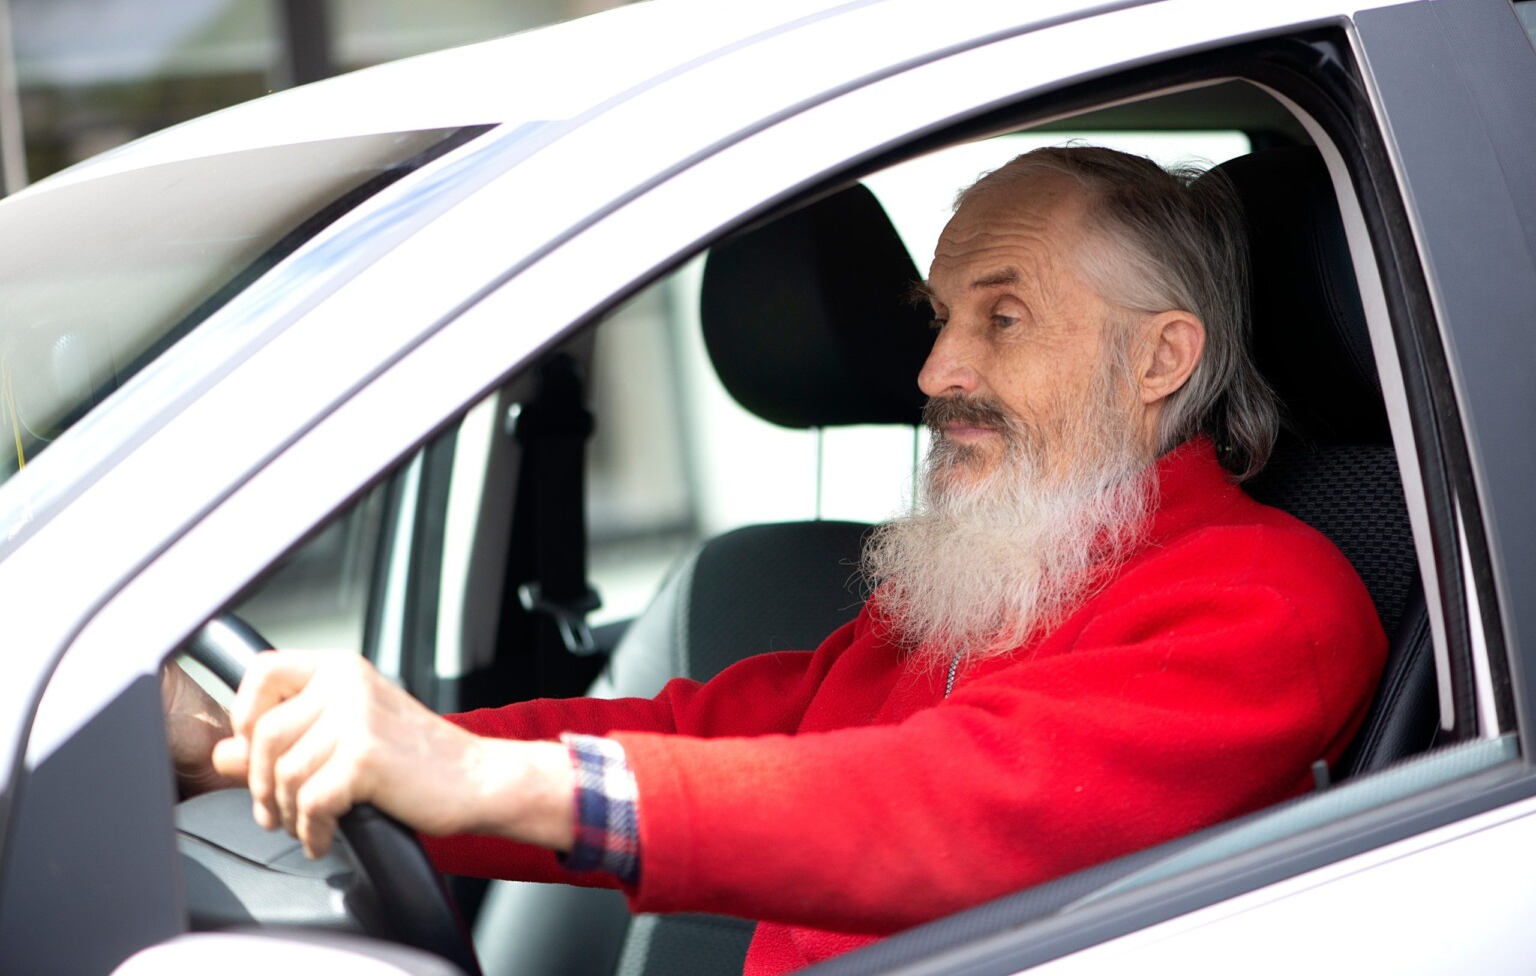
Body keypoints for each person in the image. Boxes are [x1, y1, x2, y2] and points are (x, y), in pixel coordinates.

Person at [164, 146, 1387, 976]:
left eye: (1000, 318)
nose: (933, 372)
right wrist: (237, 750)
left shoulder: (1271, 599)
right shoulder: (977, 591)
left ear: (1162, 357)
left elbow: (949, 801)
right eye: (941, 317)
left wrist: (481, 778)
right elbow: (704, 729)